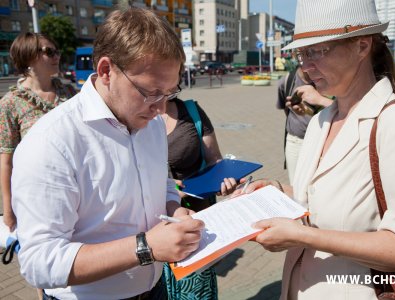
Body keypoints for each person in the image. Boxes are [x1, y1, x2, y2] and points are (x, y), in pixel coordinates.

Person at [238, 0, 395, 299]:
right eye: (301, 54)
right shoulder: (321, 118)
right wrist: (279, 190)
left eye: (317, 51)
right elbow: (329, 198)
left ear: (362, 46)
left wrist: (304, 235)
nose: (305, 68)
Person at [11, 8, 204, 300]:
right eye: (150, 91)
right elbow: (40, 262)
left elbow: (162, 182)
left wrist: (174, 209)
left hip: (155, 289)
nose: (161, 107)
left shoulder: (149, 122)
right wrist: (145, 247)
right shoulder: (51, 141)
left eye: (169, 92)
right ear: (105, 71)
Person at [162, 95, 237, 299]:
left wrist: (224, 180)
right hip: (153, 224)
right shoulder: (131, 116)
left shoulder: (191, 111)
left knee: (196, 290)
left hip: (196, 214)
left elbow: (215, 160)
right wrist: (165, 190)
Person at [0, 32, 76, 232]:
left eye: (57, 51)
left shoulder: (69, 93)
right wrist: (7, 208)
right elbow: (6, 159)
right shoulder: (10, 103)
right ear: (28, 57)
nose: (57, 57)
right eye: (50, 52)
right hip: (35, 197)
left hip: (76, 190)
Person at [277, 66, 333, 184]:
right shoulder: (287, 79)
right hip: (295, 141)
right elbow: (285, 108)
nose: (307, 62)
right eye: (301, 54)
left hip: (322, 142)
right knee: (296, 186)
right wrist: (305, 111)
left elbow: (349, 111)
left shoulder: (331, 80)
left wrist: (320, 99)